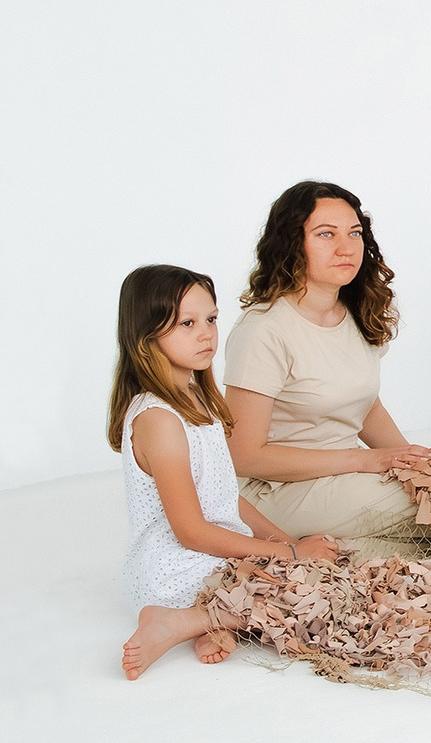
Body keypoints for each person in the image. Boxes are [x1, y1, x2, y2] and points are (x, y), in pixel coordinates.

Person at [114, 264, 342, 679]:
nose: (206, 334)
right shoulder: (159, 420)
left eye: (211, 319)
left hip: (213, 555)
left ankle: (215, 620)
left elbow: (221, 495)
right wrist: (290, 554)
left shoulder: (199, 400)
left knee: (314, 579)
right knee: (310, 600)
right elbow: (192, 532)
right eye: (187, 323)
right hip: (175, 567)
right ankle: (178, 620)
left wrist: (285, 542)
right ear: (146, 337)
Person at [224, 181, 431, 539]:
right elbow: (244, 456)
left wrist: (413, 460)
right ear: (291, 244)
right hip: (277, 491)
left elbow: (363, 406)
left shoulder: (355, 313)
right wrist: (365, 461)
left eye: (354, 233)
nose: (345, 248)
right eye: (325, 234)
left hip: (343, 476)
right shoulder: (263, 330)